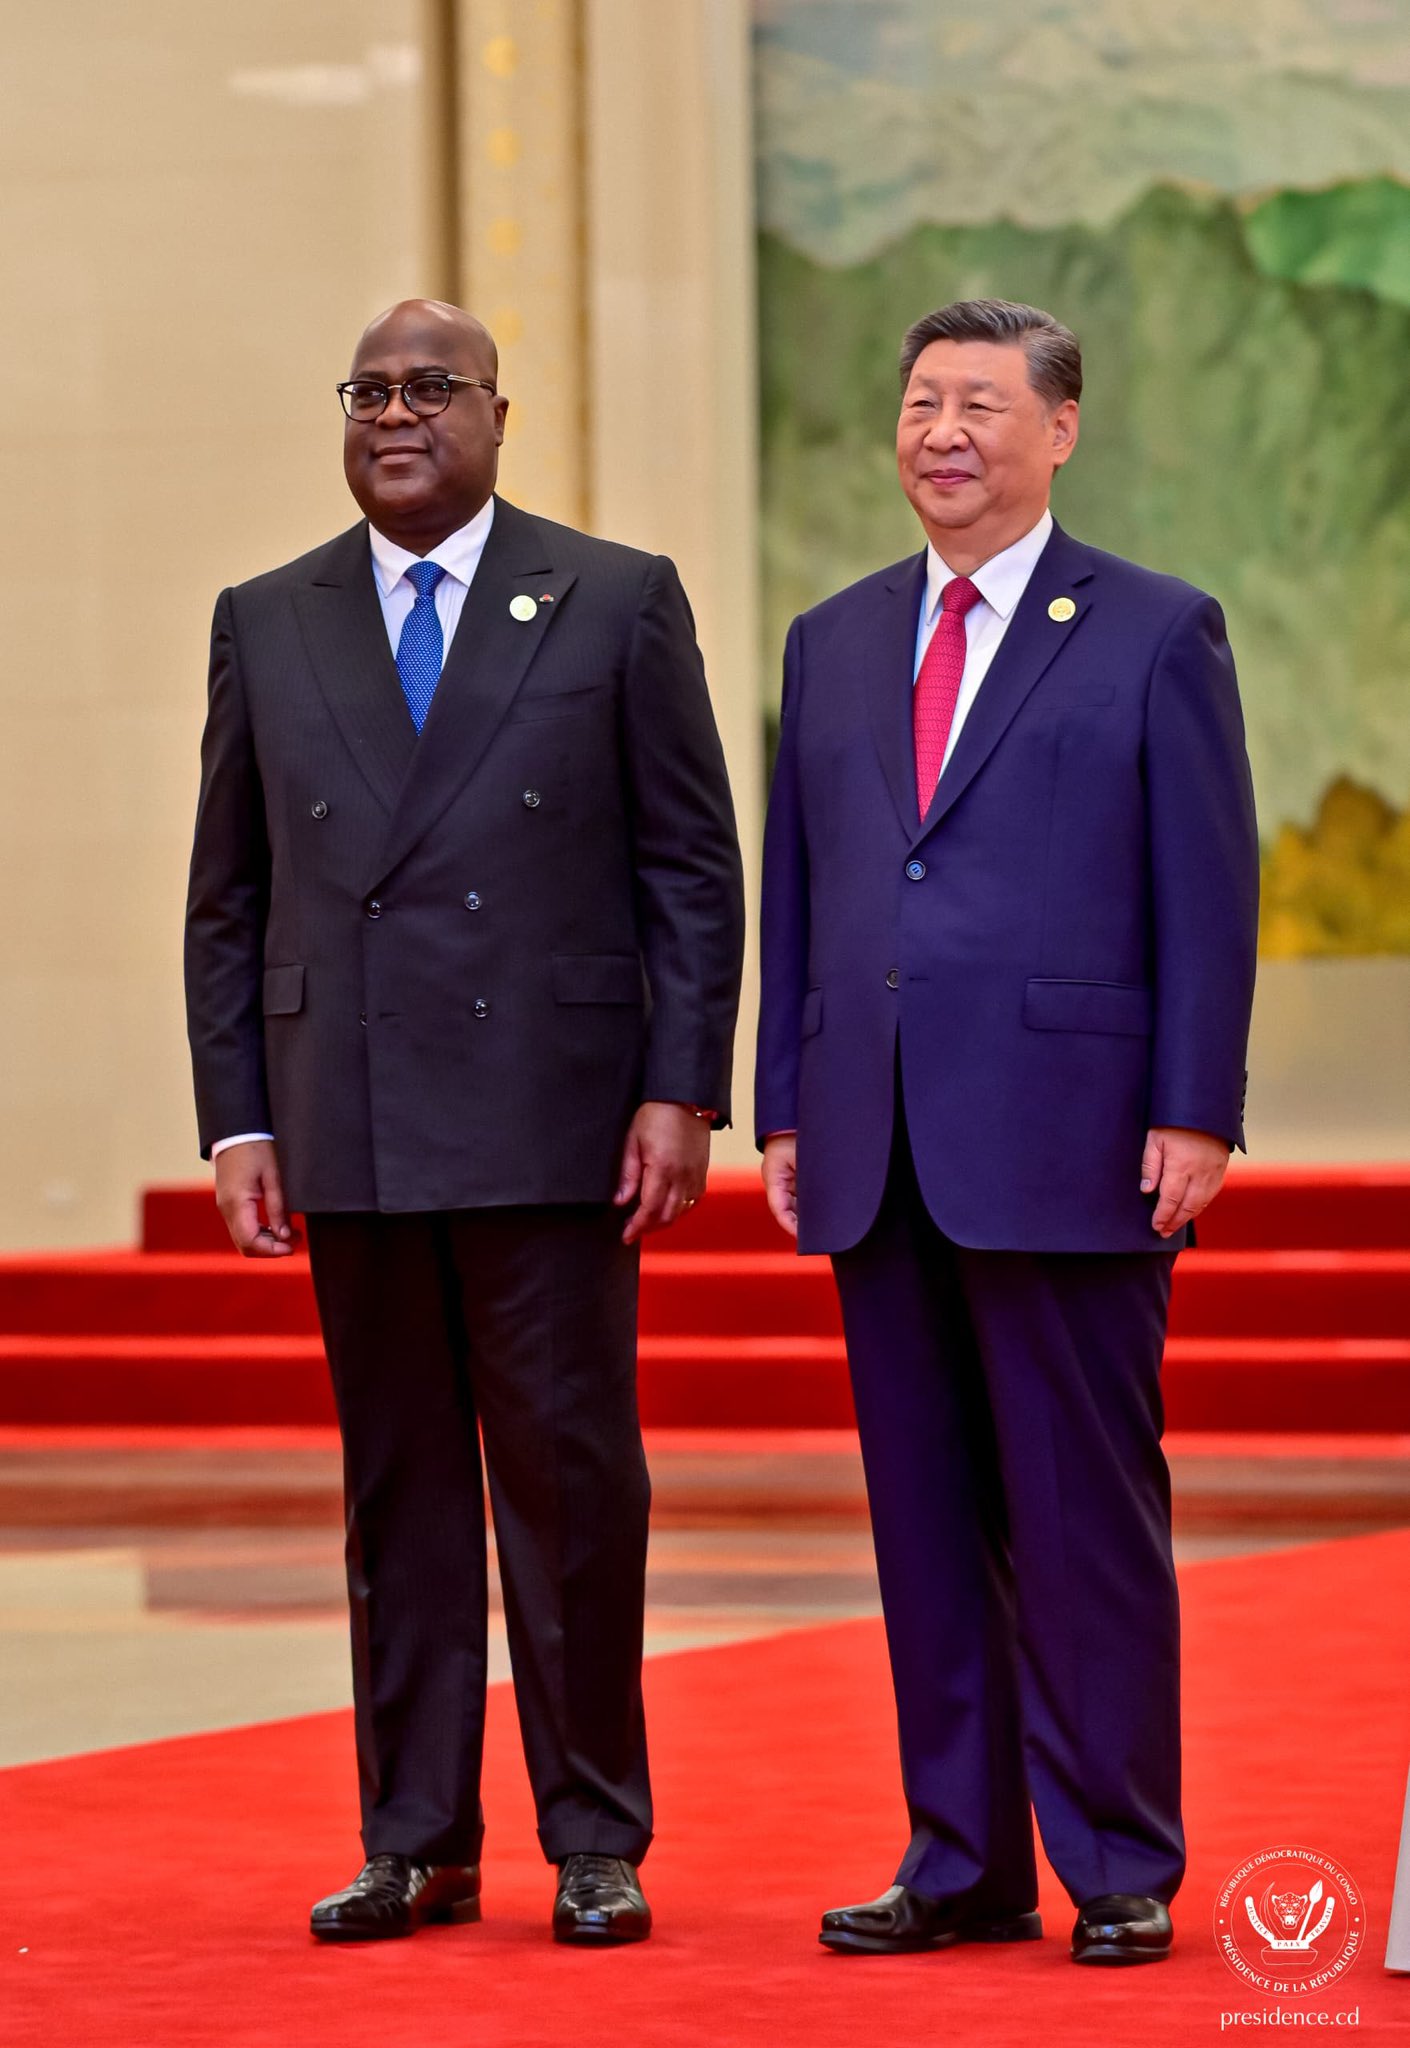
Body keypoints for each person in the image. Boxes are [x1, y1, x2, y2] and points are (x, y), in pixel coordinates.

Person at [185, 298, 744, 1946]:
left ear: (500, 412)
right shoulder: (267, 616)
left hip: (554, 1124)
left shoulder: (614, 597)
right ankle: (416, 1836)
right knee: (399, 1494)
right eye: (367, 390)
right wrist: (236, 1121)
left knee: (571, 1489)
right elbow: (228, 897)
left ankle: (594, 1833)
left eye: (432, 387)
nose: (395, 414)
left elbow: (687, 869)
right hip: (343, 1118)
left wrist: (679, 1086)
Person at [755, 299, 1257, 1966]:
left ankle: (1117, 1856)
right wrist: (781, 1100)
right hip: (872, 1141)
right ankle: (959, 1856)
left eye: (979, 403)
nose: (941, 431)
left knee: (1081, 1518)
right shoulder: (828, 642)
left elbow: (1206, 886)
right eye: (917, 403)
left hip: (1072, 1142)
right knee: (921, 1522)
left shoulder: (1150, 629)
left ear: (1058, 429)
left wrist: (1194, 1104)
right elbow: (807, 892)